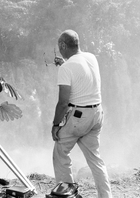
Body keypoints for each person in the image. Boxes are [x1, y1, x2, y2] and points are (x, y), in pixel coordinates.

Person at [51, 30, 113, 198]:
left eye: (59, 47)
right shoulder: (91, 57)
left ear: (63, 45)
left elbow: (63, 103)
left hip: (79, 117)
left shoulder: (66, 68)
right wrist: (65, 63)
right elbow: (80, 72)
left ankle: (66, 194)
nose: (59, 50)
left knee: (61, 152)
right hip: (97, 115)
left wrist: (56, 125)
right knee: (95, 159)